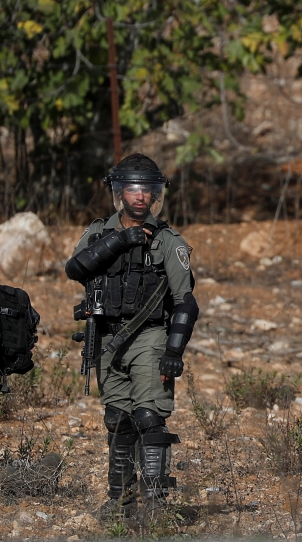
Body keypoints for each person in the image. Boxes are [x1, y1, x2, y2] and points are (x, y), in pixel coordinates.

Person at [66, 153, 197, 519]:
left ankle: (156, 503)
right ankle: (119, 500)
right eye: (134, 189)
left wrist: (174, 350)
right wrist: (120, 241)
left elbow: (186, 302)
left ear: (156, 194)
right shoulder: (97, 233)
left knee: (148, 414)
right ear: (120, 191)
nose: (141, 197)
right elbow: (75, 268)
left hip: (150, 335)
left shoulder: (168, 241)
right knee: (118, 418)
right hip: (108, 338)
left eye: (148, 190)